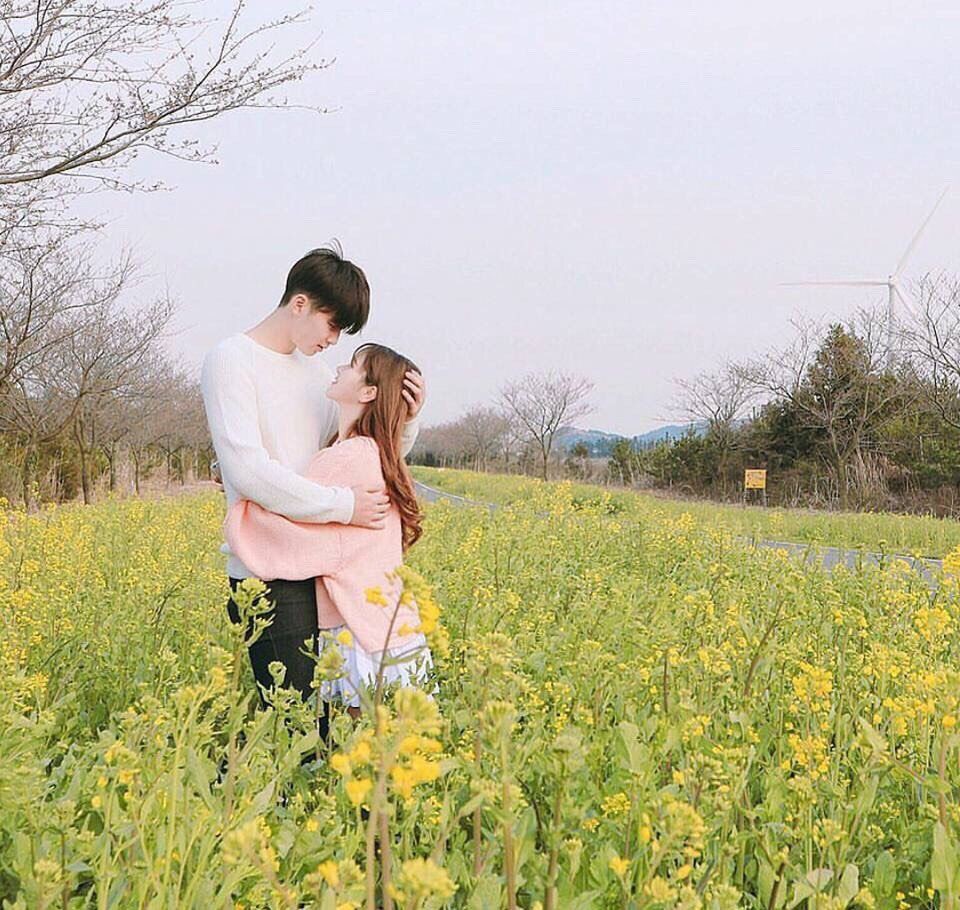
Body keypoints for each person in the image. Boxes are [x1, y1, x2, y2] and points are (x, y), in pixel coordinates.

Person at [200, 244, 425, 723]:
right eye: (332, 324)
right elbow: (247, 469)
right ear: (300, 304)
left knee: (329, 727)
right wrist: (344, 507)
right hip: (267, 569)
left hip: (321, 570)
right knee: (295, 722)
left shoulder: (317, 375)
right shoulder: (232, 360)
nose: (333, 340)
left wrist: (406, 420)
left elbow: (359, 453)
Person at [223, 343, 433, 714]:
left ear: (368, 392)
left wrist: (243, 499)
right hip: (390, 627)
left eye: (353, 365)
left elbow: (290, 522)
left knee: (351, 742)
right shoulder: (375, 452)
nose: (339, 368)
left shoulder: (346, 457)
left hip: (359, 631)